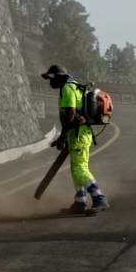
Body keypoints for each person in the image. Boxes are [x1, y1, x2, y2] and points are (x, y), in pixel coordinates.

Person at [44, 65, 109, 214]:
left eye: (51, 79)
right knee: (76, 169)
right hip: (80, 133)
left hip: (79, 134)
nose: (50, 82)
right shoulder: (74, 86)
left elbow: (70, 113)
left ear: (59, 77)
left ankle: (100, 198)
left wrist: (61, 138)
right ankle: (80, 202)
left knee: (80, 169)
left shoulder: (67, 88)